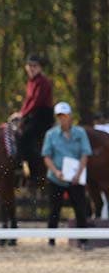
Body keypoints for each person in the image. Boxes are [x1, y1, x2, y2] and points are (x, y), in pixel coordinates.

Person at [41, 101, 92, 249]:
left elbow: (85, 154)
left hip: (76, 178)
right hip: (56, 178)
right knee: (54, 210)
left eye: (65, 115)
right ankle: (51, 240)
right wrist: (56, 172)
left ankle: (83, 241)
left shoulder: (80, 133)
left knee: (80, 209)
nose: (62, 119)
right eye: (59, 116)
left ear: (70, 116)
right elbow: (46, 156)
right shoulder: (50, 134)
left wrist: (78, 173)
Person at [10, 53, 54, 180]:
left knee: (25, 136)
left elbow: (37, 101)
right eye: (30, 66)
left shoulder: (43, 82)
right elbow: (28, 101)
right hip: (33, 115)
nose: (32, 68)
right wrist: (20, 114)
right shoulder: (31, 82)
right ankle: (20, 164)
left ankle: (33, 172)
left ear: (40, 68)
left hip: (42, 116)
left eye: (35, 66)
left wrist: (22, 114)